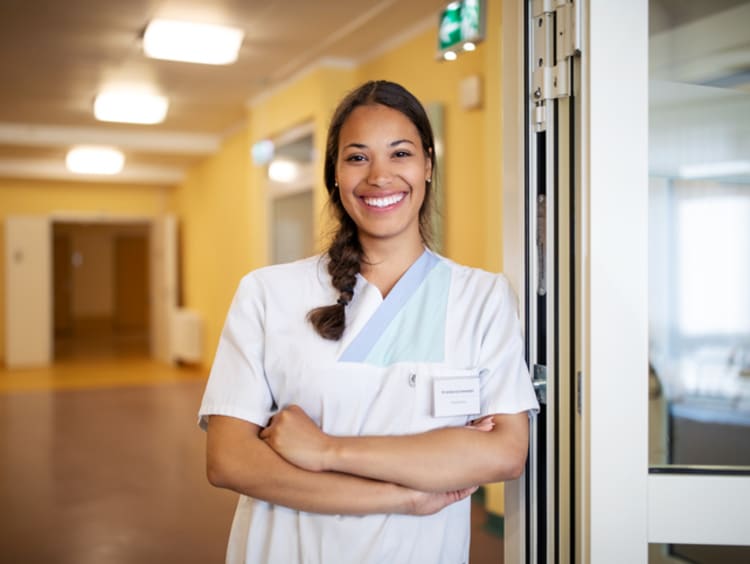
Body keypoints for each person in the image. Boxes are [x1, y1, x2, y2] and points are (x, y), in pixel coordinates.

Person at [198, 80, 539, 564]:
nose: (379, 176)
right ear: (334, 175)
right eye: (357, 157)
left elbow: (504, 453)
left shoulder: (481, 297)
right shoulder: (268, 293)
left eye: (399, 154)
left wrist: (324, 451)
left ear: (427, 166)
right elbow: (229, 460)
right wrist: (403, 494)